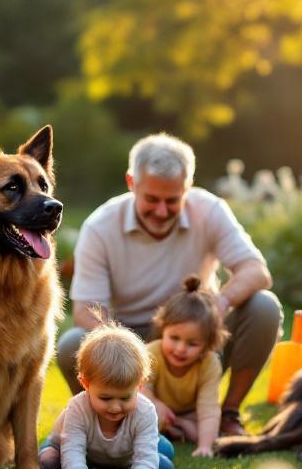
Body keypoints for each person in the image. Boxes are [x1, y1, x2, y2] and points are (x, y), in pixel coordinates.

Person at [58, 133, 281, 436]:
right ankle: (126, 417)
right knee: (72, 344)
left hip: (197, 333)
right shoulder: (100, 226)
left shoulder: (210, 209)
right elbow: (87, 310)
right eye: (152, 199)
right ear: (131, 182)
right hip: (132, 336)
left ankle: (228, 414)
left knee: (264, 306)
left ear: (187, 187)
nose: (161, 211)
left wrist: (219, 302)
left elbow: (256, 271)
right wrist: (136, 373)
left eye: (173, 200)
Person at [39, 323, 175, 469]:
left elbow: (146, 460)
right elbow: (72, 448)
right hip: (77, 447)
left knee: (164, 463)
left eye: (125, 398)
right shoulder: (78, 408)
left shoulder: (145, 410)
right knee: (48, 460)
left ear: (140, 386)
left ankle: (143, 448)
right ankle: (54, 450)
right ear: (85, 384)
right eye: (105, 398)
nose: (115, 407)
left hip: (122, 453)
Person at [144, 276, 226, 457]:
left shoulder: (209, 363)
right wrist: (155, 403)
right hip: (154, 407)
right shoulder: (151, 353)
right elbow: (139, 389)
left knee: (204, 433)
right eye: (174, 338)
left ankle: (177, 425)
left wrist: (205, 447)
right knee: (144, 413)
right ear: (163, 329)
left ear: (206, 344)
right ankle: (170, 429)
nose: (180, 349)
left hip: (190, 414)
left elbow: (208, 408)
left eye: (192, 344)